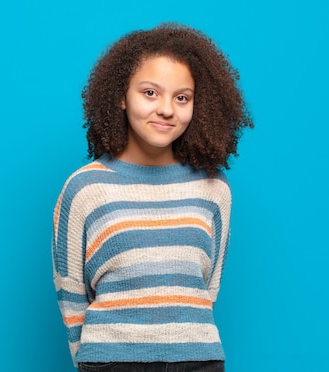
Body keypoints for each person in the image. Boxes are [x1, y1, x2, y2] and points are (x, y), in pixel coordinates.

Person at [52, 22, 253, 372]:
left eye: (182, 97)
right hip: (113, 362)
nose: (166, 109)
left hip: (198, 360)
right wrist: (89, 360)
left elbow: (208, 287)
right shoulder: (84, 189)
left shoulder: (214, 189)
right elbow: (71, 293)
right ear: (121, 96)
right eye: (149, 93)